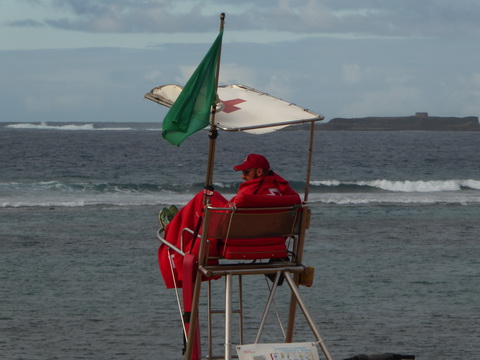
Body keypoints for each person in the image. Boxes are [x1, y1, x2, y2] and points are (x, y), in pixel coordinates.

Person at [158, 153, 300, 288]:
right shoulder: (282, 191)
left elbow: (224, 219)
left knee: (203, 197)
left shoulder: (250, 193)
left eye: (246, 172)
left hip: (238, 239)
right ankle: (177, 220)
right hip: (272, 242)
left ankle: (173, 225)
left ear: (258, 172)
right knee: (208, 201)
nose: (242, 177)